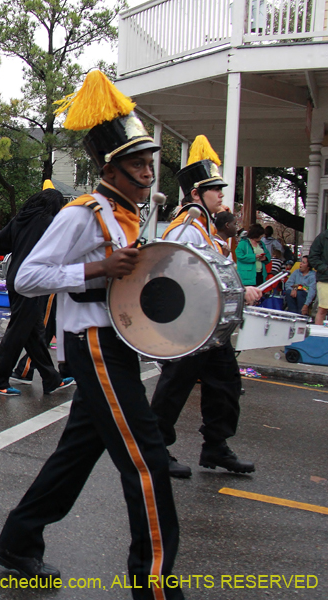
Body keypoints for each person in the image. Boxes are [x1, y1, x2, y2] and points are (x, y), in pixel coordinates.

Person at [0, 71, 185, 599]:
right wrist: (95, 270)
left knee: (77, 454)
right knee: (147, 462)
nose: (149, 172)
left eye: (151, 162)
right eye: (140, 164)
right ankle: (156, 585)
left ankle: (17, 541)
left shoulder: (128, 214)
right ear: (112, 169)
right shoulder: (84, 214)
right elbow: (28, 276)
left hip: (115, 344)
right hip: (95, 347)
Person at [148, 134, 260, 479]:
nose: (223, 196)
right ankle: (154, 449)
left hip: (211, 325)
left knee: (225, 385)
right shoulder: (186, 228)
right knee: (174, 386)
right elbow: (174, 272)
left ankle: (216, 446)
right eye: (216, 190)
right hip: (191, 324)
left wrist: (240, 290)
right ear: (196, 193)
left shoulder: (206, 229)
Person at [0, 186, 75, 396]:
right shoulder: (50, 223)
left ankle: (51, 378)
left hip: (14, 277)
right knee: (18, 330)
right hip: (33, 280)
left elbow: (0, 244)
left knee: (34, 331)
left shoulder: (20, 218)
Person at [306, 227, 328, 325]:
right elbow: (313, 257)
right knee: (323, 309)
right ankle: (318, 337)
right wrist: (325, 269)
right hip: (325, 279)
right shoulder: (323, 237)